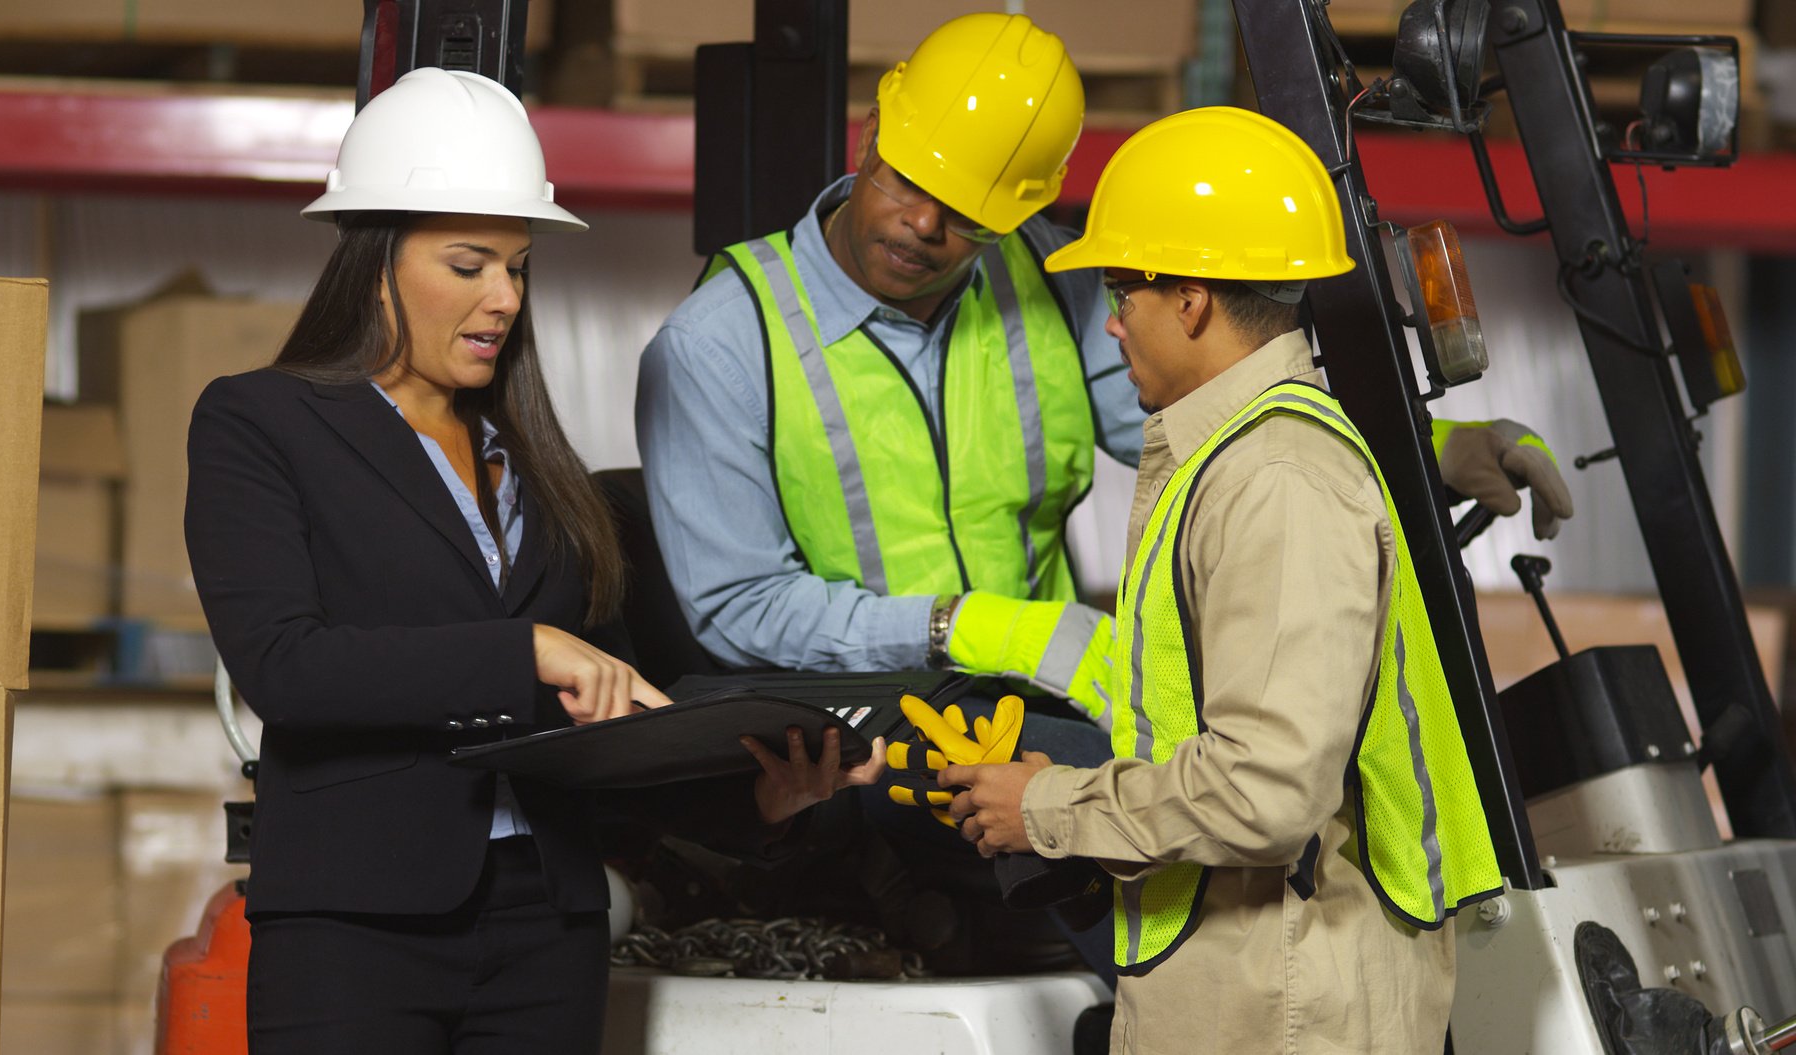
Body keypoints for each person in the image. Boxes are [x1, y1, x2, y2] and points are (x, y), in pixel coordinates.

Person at [183, 67, 881, 1054]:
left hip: (545, 925)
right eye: (469, 265)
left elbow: (599, 726)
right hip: (356, 927)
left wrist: (755, 796)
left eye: (516, 267)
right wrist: (525, 650)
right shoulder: (262, 422)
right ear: (375, 257)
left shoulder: (541, 471)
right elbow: (285, 666)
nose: (503, 297)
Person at [635, 9, 1572, 726]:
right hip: (848, 731)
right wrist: (991, 630)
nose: (926, 227)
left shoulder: (1046, 277)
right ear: (870, 137)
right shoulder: (720, 343)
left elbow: (1195, 427)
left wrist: (1431, 448)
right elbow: (739, 607)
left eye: (969, 213)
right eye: (912, 183)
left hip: (1041, 707)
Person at [944, 106, 1504, 1054]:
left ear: (1191, 299)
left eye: (1123, 289)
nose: (1113, 323)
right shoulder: (1239, 459)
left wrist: (1051, 809)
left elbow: (1269, 787)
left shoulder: (1271, 479)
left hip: (1281, 996)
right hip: (1266, 978)